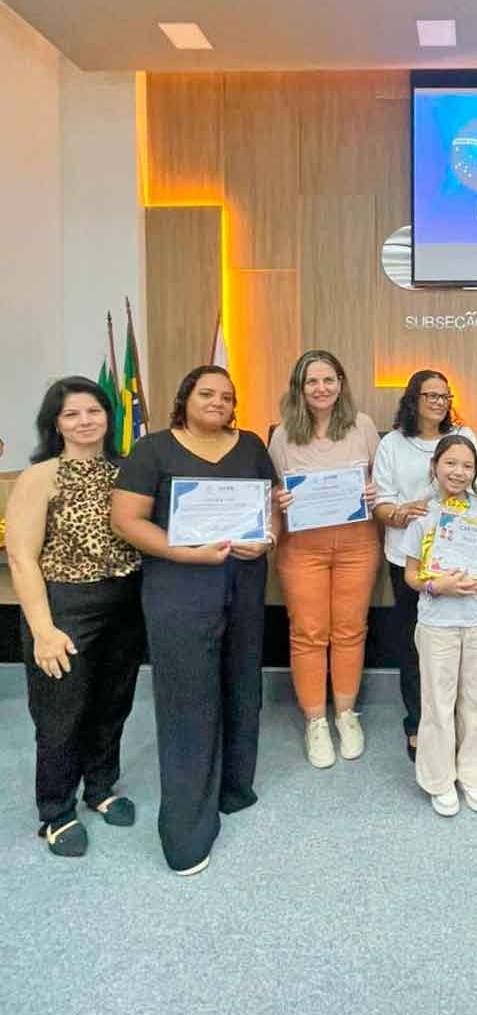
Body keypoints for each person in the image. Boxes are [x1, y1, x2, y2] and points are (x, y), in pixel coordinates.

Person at [111, 365, 280, 875]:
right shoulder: (153, 450)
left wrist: (268, 538)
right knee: (189, 698)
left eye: (227, 396)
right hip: (179, 584)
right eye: (206, 393)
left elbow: (270, 505)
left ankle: (233, 788)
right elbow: (126, 520)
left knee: (240, 683)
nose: (217, 402)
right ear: (185, 398)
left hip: (243, 580)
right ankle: (187, 830)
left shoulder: (250, 446)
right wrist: (182, 552)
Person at [6, 377, 143, 857]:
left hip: (125, 603)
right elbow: (21, 558)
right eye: (71, 414)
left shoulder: (126, 471)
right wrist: (43, 631)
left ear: (109, 416)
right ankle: (56, 810)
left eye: (93, 411)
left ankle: (101, 787)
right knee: (60, 713)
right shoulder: (40, 476)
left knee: (113, 702)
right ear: (56, 423)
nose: (85, 421)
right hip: (65, 607)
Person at [269, 350, 381, 768]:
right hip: (302, 547)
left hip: (357, 544)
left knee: (351, 629)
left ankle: (346, 714)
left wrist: (373, 490)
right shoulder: (282, 434)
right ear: (299, 388)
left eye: (328, 380)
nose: (321, 388)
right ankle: (316, 721)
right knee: (308, 633)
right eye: (312, 381)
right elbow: (272, 490)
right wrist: (279, 497)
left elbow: (381, 479)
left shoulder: (362, 426)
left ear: (340, 383)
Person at [373, 369, 477, 762]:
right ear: (413, 399)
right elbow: (382, 505)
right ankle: (417, 724)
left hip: (461, 560)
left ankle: (455, 725)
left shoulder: (464, 435)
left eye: (444, 396)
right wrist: (405, 512)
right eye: (430, 395)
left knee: (460, 648)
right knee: (415, 647)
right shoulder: (392, 443)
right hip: (409, 559)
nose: (439, 402)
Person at [402, 435, 477, 816]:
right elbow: (410, 574)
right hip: (437, 622)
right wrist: (435, 586)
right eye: (451, 463)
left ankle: (475, 775)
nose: (459, 472)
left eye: (467, 466)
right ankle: (439, 779)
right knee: (437, 702)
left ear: (475, 472)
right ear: (435, 467)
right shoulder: (422, 515)